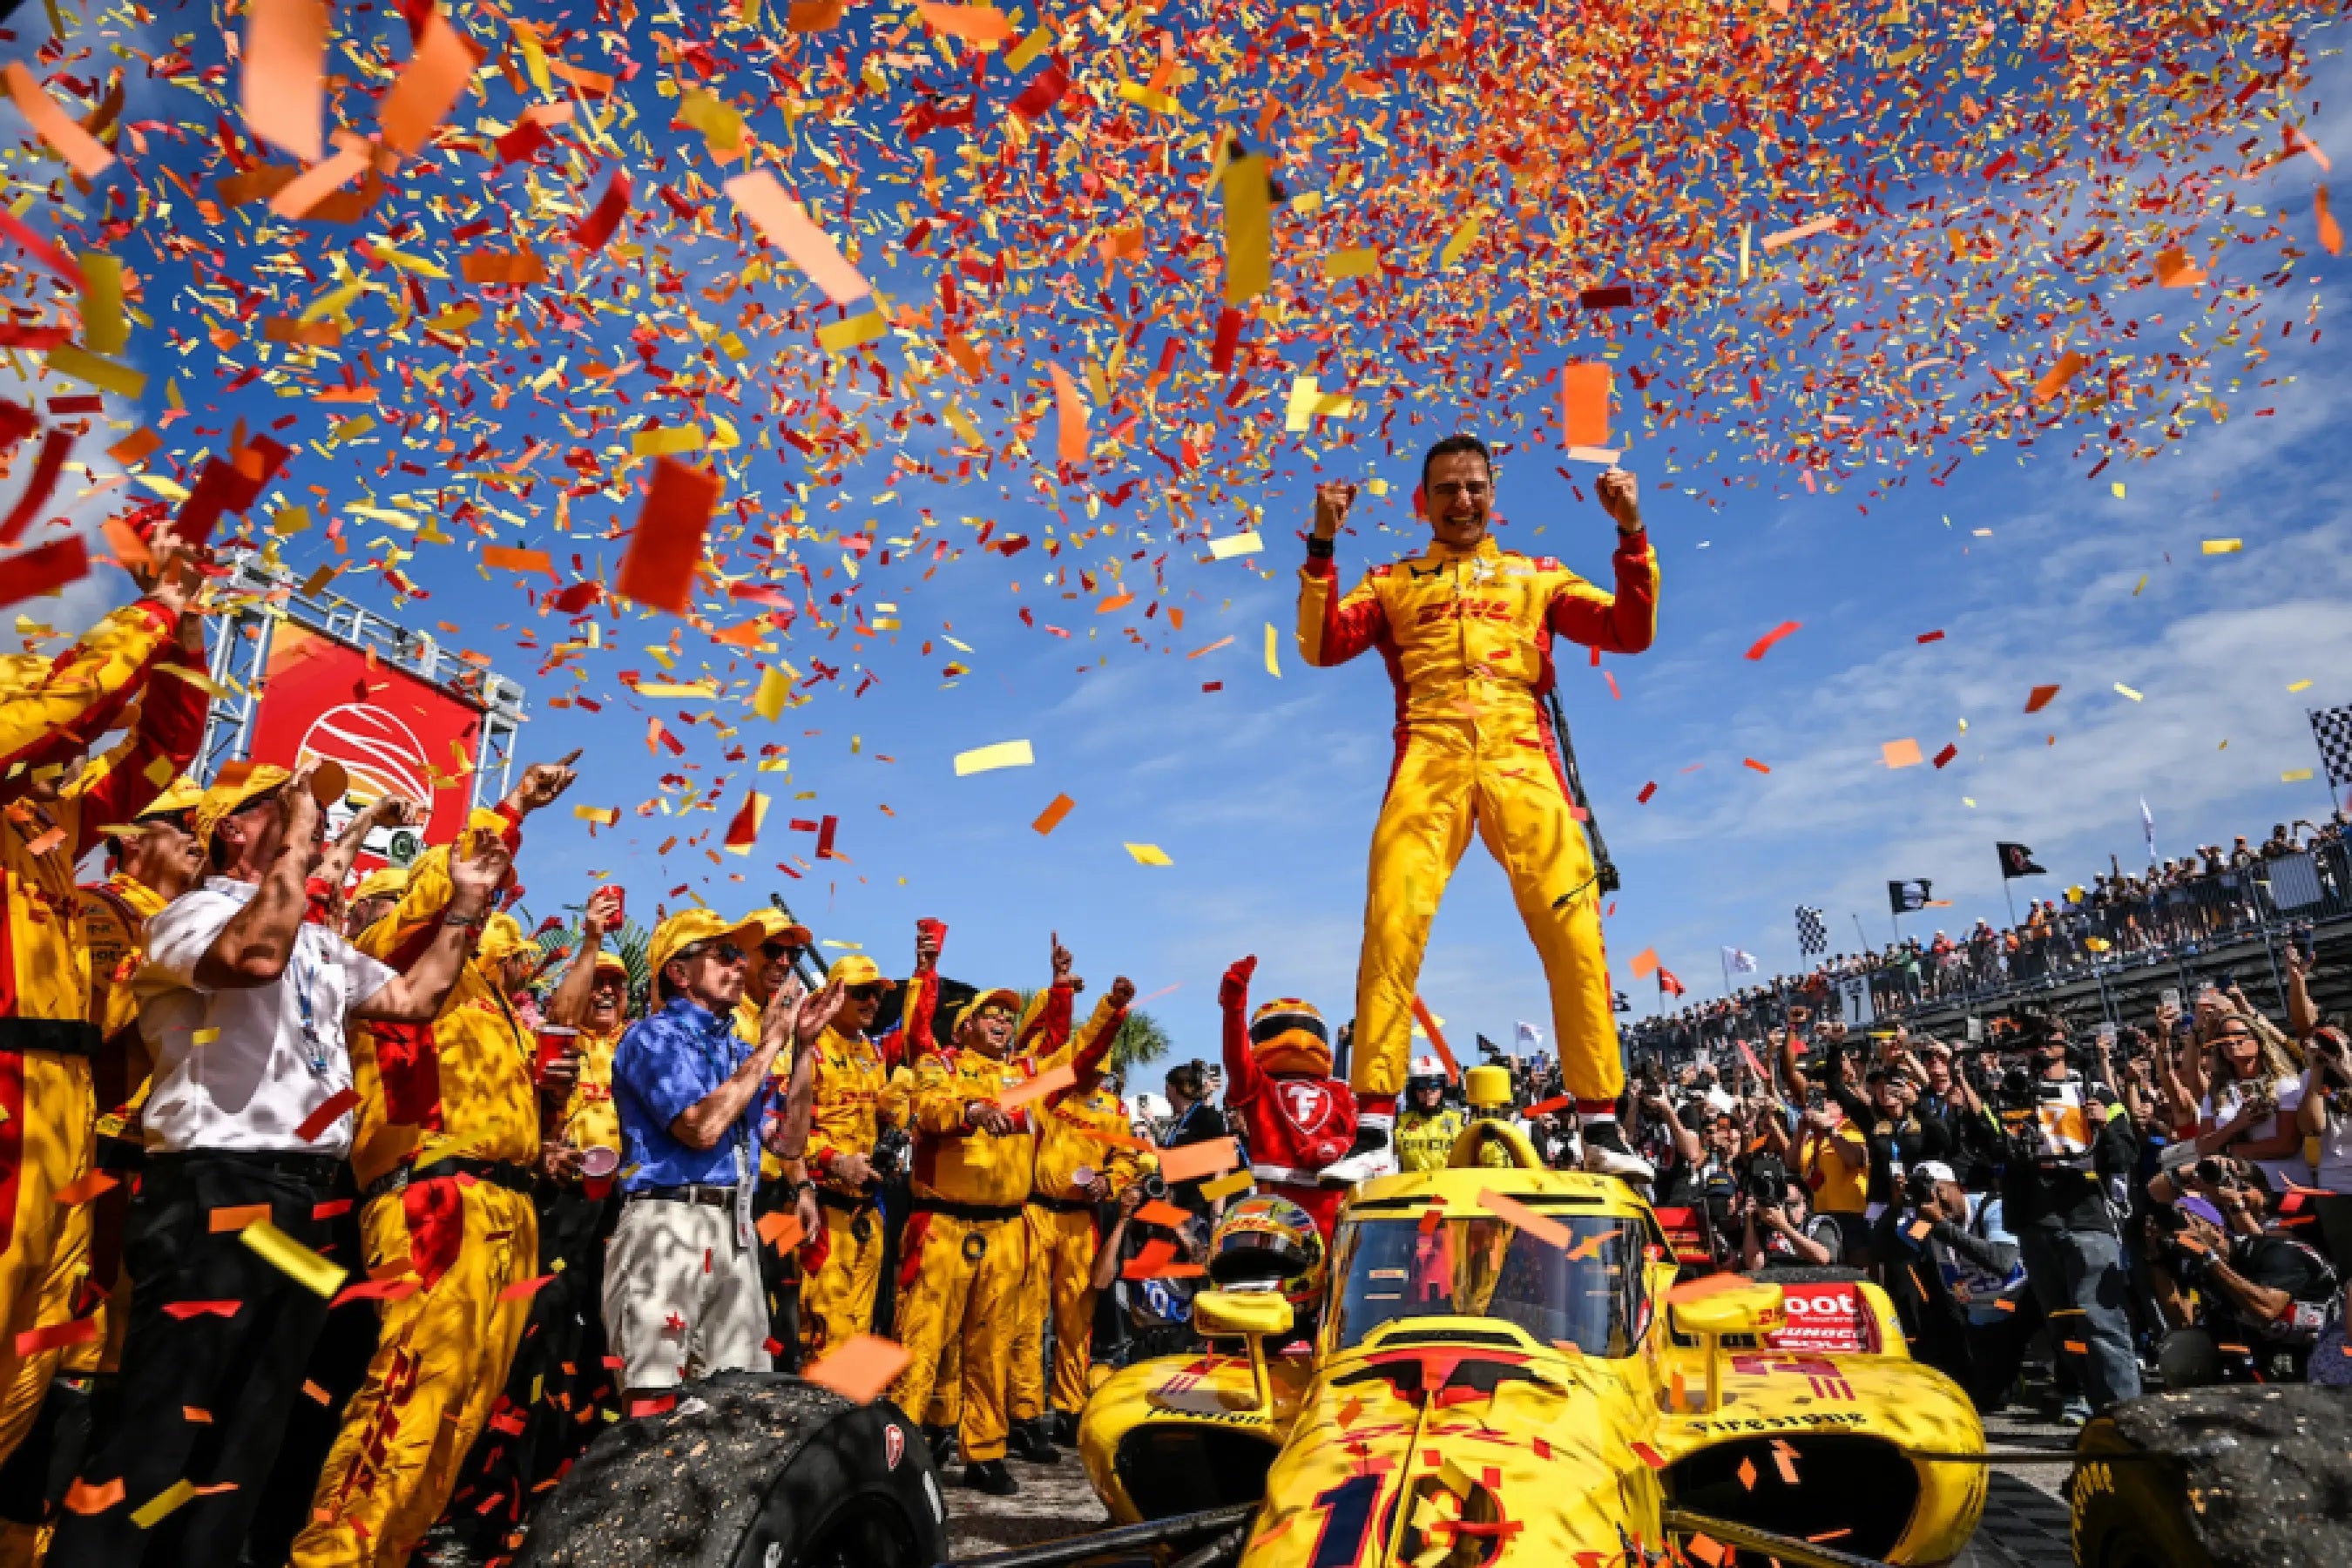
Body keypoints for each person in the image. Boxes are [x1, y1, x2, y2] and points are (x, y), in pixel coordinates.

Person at [49, 761, 510, 1568]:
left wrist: (465, 908)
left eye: (314, 810)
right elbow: (253, 959)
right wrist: (302, 837)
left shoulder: (319, 942)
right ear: (233, 827)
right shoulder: (191, 914)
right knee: (167, 1426)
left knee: (249, 1434)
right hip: (216, 1189)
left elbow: (414, 1001)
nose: (317, 819)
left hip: (301, 1203)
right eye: (292, 805)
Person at [1296, 439, 1657, 1175]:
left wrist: (1630, 532)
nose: (1462, 501)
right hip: (1427, 761)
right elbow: (1322, 644)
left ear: (1494, 494)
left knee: (1573, 930)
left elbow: (1630, 630)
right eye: (1446, 490)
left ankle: (1600, 1124)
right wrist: (1322, 545)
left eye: (1473, 487)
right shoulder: (1391, 581)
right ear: (1420, 502)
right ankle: (1372, 1126)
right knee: (1392, 926)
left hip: (1523, 759)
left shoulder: (1537, 576)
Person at [290, 755, 581, 1567]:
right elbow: (439, 898)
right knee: (411, 1394)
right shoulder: (390, 953)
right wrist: (513, 805)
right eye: (478, 889)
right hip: (433, 1202)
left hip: (509, 1215)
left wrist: (546, 1104)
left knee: (461, 1409)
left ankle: (388, 1554)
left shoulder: (485, 992)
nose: (490, 905)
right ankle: (332, 1557)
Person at [0, 560, 207, 1472]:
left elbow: (165, 749)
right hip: (7, 1101)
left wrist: (191, 630)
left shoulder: (47, 833)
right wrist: (154, 606)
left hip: (67, 1119)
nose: (76, 750)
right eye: (58, 741)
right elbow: (67, 698)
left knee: (43, 1370)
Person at [889, 935, 1129, 1497]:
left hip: (1006, 1231)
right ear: (964, 1027)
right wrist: (970, 1110)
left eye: (1007, 1015)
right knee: (922, 1343)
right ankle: (901, 1452)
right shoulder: (937, 1065)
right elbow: (926, 1111)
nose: (1001, 1021)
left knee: (991, 1347)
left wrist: (1110, 1012)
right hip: (941, 1226)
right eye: (990, 1014)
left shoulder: (1028, 1076)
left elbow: (1080, 1059)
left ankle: (987, 1453)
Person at [603, 910, 834, 1414]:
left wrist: (802, 1051)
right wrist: (773, 1042)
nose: (739, 966)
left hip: (735, 1226)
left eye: (740, 955)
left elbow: (790, 1144)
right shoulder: (650, 1038)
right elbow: (701, 1129)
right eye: (724, 954)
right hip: (666, 1222)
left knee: (741, 1402)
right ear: (678, 973)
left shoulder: (737, 1050)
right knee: (654, 1398)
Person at [1005, 999, 1155, 1456]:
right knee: (1028, 1319)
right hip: (1035, 1212)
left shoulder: (1112, 1109)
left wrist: (1111, 1181)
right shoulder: (1052, 1093)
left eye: (1100, 1071)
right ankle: (1025, 1416)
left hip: (1081, 1221)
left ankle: (1070, 1410)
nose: (1095, 1076)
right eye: (1089, 1067)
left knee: (1078, 1319)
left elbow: (1131, 1156)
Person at [1995, 1018, 2141, 1423]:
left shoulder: (2095, 1090)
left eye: (2049, 1037)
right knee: (2059, 1320)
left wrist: (2105, 1124)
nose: (2041, 1045)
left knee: (2101, 1318)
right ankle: (2079, 1395)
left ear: (2065, 1043)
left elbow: (2125, 1154)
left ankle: (2127, 1412)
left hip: (2087, 1214)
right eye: (2033, 1038)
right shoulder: (2010, 1091)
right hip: (2035, 1216)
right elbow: (1992, 1149)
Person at [798, 946, 910, 1359]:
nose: (873, 1002)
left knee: (862, 1331)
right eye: (862, 992)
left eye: (878, 994)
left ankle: (854, 1418)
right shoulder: (807, 1049)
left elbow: (885, 1122)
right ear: (835, 995)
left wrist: (892, 1141)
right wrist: (833, 1161)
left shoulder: (874, 1053)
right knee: (826, 1328)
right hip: (821, 1211)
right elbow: (779, 1137)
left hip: (869, 1211)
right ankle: (823, 1420)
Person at [1217, 958, 1358, 1240]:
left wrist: (1338, 1147)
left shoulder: (1340, 1091)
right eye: (1278, 1029)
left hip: (1334, 1204)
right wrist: (1234, 1007)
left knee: (1334, 1279)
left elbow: (1362, 1139)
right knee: (1282, 1279)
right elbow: (1236, 1059)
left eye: (1308, 1030)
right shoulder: (1259, 1086)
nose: (1298, 1039)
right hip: (1276, 1205)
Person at [1393, 1057, 1462, 1173]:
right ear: (1412, 1091)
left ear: (1443, 1089)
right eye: (1421, 1086)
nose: (1428, 1092)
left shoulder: (1459, 1120)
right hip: (1412, 1189)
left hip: (1449, 1188)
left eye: (1434, 1085)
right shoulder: (1400, 1122)